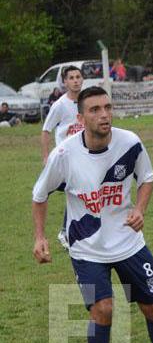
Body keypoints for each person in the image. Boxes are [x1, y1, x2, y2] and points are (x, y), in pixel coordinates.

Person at [32, 87, 153, 343]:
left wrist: (140, 209)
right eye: (94, 110)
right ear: (80, 118)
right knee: (103, 309)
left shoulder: (129, 142)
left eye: (107, 107)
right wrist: (40, 237)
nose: (104, 114)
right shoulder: (64, 155)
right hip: (87, 247)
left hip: (130, 242)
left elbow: (146, 178)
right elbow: (39, 194)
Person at [41, 66, 86, 249]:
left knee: (80, 191)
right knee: (72, 190)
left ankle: (68, 231)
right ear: (65, 82)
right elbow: (45, 130)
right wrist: (45, 157)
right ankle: (64, 231)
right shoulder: (59, 105)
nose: (76, 80)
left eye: (78, 77)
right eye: (72, 78)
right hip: (65, 157)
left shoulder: (86, 100)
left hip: (84, 155)